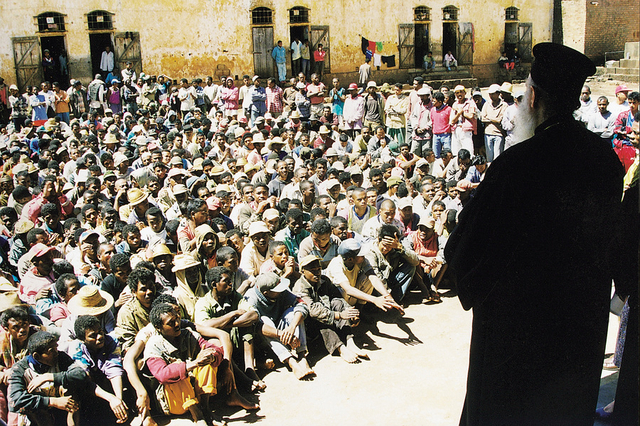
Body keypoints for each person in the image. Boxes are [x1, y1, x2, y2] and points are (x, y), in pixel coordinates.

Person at [444, 42, 624, 425]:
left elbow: (464, 252)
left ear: (534, 98)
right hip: (578, 329)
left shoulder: (515, 164)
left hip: (517, 335)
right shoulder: (605, 162)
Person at [292, 255, 368, 363]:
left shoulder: (324, 280)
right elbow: (314, 311)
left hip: (327, 314)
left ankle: (349, 341)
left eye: (318, 269)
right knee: (321, 318)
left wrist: (351, 312)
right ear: (302, 271)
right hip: (311, 326)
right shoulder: (300, 288)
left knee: (337, 302)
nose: (317, 273)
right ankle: (340, 348)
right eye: (312, 271)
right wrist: (340, 315)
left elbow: (337, 297)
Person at [239, 272, 314, 380]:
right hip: (264, 341)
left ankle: (302, 356)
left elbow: (301, 304)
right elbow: (257, 326)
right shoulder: (251, 298)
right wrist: (282, 334)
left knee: (295, 313)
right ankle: (291, 361)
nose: (282, 290)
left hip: (282, 332)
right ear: (266, 293)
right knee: (264, 320)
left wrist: (292, 327)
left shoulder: (281, 291)